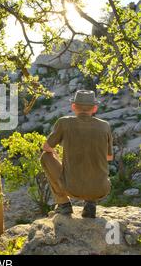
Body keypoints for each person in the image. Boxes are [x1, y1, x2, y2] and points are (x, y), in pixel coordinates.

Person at [40, 90, 114, 218]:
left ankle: (63, 204)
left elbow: (46, 147)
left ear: (73, 106)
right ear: (95, 108)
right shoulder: (105, 126)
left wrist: (59, 155)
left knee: (45, 157)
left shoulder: (64, 122)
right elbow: (109, 157)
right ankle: (91, 203)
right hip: (100, 189)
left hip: (72, 188)